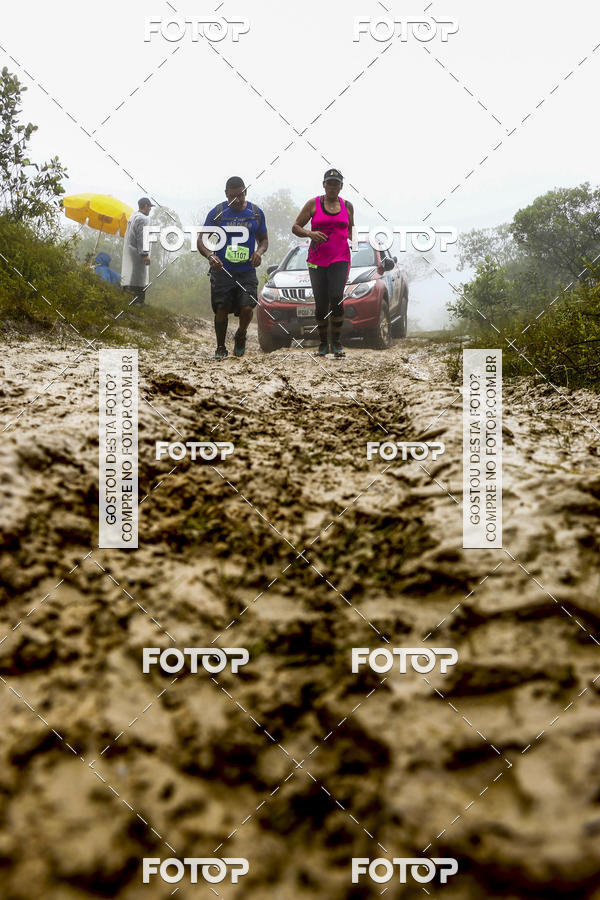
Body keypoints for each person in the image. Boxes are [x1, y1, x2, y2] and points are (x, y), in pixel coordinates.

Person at [198, 176, 268, 360]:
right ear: (226, 194)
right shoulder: (218, 212)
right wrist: (210, 256)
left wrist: (259, 252)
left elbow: (264, 240)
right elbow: (201, 241)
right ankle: (220, 347)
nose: (237, 200)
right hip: (222, 270)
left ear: (246, 192)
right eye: (232, 196)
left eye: (240, 195)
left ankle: (241, 334)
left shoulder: (256, 213)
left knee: (247, 308)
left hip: (247, 271)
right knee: (221, 309)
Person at [292, 168, 354, 358]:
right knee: (321, 302)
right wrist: (310, 234)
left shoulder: (348, 206)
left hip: (341, 258)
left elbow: (351, 230)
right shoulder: (313, 204)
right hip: (316, 260)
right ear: (324, 184)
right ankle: (323, 343)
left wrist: (355, 242)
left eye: (336, 184)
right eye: (329, 183)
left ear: (341, 187)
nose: (332, 187)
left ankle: (336, 342)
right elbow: (295, 227)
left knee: (336, 296)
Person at [121, 197, 154, 306]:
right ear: (145, 206)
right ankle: (137, 301)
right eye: (149, 207)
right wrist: (145, 254)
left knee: (131, 273)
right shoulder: (143, 219)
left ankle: (128, 297)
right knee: (140, 276)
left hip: (131, 250)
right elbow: (142, 237)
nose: (150, 209)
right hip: (138, 252)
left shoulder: (133, 216)